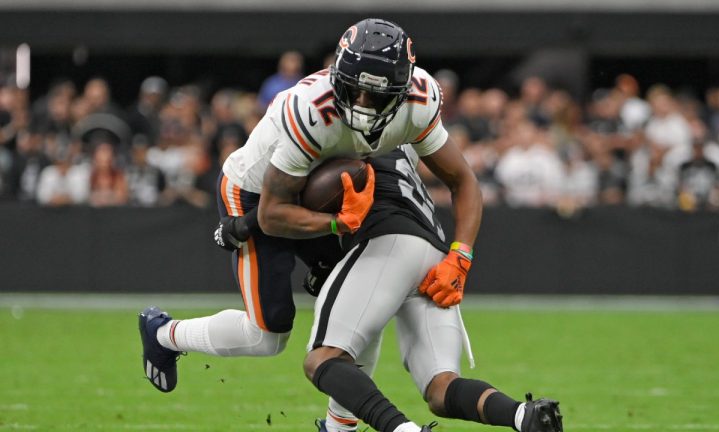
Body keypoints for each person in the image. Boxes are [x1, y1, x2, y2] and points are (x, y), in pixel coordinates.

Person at [137, 17, 481, 431]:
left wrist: (461, 253)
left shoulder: (419, 101)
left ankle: (339, 427)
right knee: (267, 335)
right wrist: (336, 225)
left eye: (377, 95)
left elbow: (463, 180)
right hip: (258, 194)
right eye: (355, 89)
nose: (363, 103)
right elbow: (271, 214)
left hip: (331, 186)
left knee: (358, 304)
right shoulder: (310, 111)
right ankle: (162, 333)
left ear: (402, 89)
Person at [306, 146, 563, 432]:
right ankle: (525, 415)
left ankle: (404, 431)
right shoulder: (403, 136)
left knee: (323, 358)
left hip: (386, 242)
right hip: (435, 253)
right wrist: (460, 257)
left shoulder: (340, 130)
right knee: (442, 388)